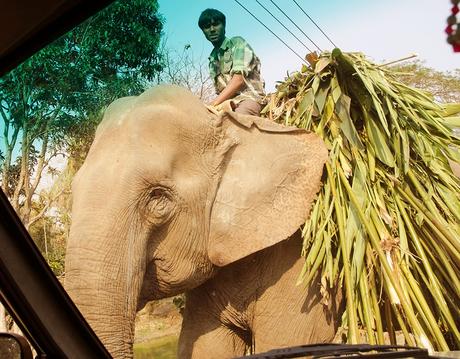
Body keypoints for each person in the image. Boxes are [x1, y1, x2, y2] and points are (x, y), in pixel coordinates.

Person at [198, 8, 266, 116]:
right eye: (207, 27)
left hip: (249, 98)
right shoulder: (212, 60)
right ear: (203, 32)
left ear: (224, 26)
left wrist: (213, 104)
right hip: (227, 104)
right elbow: (221, 92)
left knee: (236, 122)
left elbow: (239, 81)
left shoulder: (237, 43)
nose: (212, 29)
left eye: (216, 24)